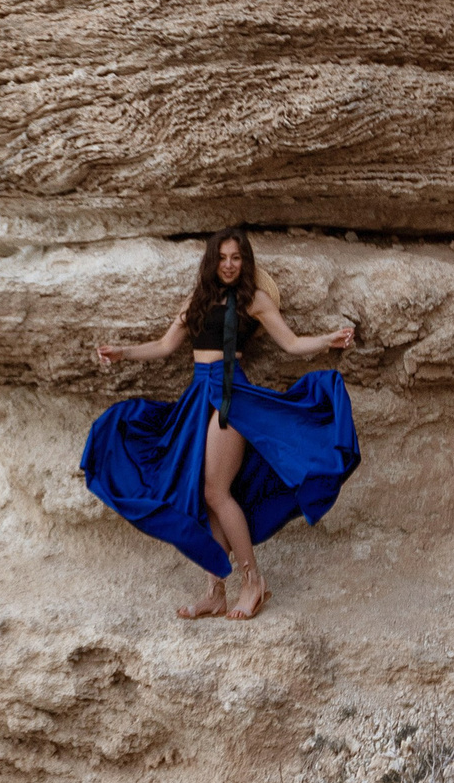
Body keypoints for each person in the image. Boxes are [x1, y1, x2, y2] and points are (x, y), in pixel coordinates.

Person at [83, 227, 361, 620]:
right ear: (212, 261)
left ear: (244, 262)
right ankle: (215, 592)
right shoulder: (196, 300)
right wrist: (123, 352)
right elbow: (165, 346)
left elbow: (292, 343)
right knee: (205, 493)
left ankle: (253, 581)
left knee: (216, 491)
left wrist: (327, 340)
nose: (229, 265)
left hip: (232, 398)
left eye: (236, 258)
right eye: (223, 257)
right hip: (198, 397)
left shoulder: (255, 300)